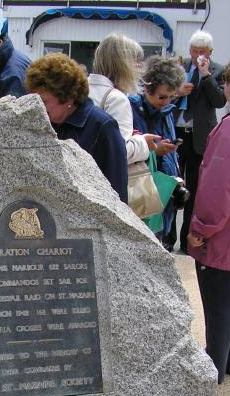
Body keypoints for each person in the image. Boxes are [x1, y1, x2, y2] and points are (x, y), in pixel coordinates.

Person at [187, 53, 230, 385]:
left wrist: (200, 229)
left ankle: (215, 370)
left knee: (219, 306)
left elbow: (218, 188)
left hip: (225, 236)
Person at [25, 53, 128, 203]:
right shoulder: (41, 123)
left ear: (68, 98)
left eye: (43, 101)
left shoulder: (103, 127)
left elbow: (118, 192)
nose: (36, 107)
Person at [174, 30, 226, 253]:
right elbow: (162, 93)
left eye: (202, 52)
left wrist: (205, 76)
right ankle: (166, 238)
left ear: (210, 53)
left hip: (199, 138)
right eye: (194, 52)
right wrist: (177, 92)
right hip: (176, 133)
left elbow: (219, 100)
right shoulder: (180, 66)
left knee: (194, 190)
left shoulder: (218, 71)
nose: (197, 56)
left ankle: (187, 239)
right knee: (172, 185)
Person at [129, 56, 186, 241]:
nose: (166, 101)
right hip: (142, 194)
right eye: (162, 97)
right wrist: (154, 150)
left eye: (171, 97)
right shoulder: (131, 108)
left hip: (164, 191)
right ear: (147, 88)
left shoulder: (166, 111)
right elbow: (128, 150)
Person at [88, 34, 159, 163]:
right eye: (135, 60)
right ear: (123, 63)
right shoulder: (116, 99)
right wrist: (143, 142)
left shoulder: (80, 89)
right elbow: (120, 152)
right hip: (103, 178)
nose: (138, 66)